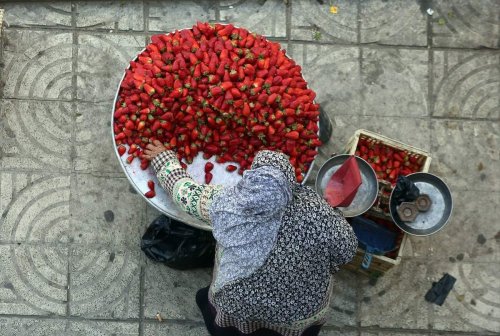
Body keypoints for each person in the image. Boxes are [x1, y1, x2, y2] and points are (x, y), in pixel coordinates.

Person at [144, 140, 358, 336]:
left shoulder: (228, 205)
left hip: (237, 302)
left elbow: (185, 193)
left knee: (224, 316)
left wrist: (163, 159)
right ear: (290, 181)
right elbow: (347, 251)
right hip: (300, 311)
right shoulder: (320, 214)